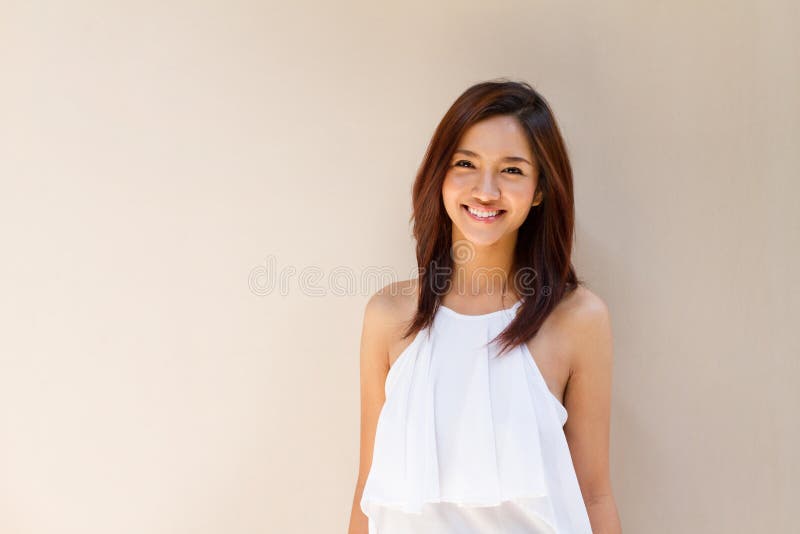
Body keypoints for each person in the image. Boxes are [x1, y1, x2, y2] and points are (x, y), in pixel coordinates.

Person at [348, 79, 622, 533]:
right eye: (465, 164)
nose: (485, 190)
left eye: (512, 170)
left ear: (539, 190)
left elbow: (593, 493)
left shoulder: (578, 319)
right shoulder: (388, 316)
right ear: (440, 175)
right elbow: (368, 491)